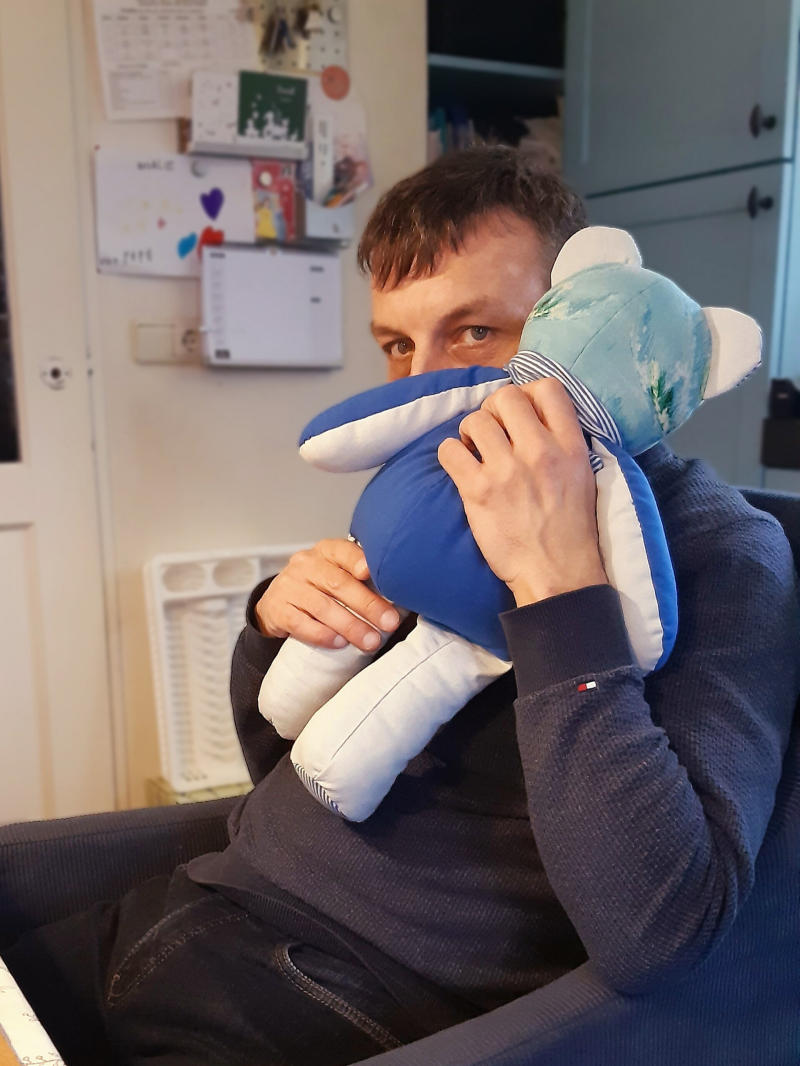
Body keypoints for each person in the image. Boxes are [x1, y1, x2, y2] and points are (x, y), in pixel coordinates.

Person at [4, 147, 798, 1066]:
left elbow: (662, 931)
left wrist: (560, 593)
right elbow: (278, 770)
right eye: (395, 345)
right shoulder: (434, 499)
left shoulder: (718, 553)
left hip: (340, 998)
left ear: (583, 314)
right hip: (186, 909)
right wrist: (277, 629)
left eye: (474, 331)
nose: (423, 379)